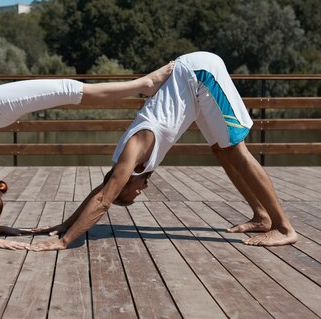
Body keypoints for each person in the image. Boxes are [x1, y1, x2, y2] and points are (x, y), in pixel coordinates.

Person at [31, 51, 298, 251]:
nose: (141, 191)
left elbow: (103, 199)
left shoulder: (132, 152)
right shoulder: (124, 164)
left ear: (125, 183)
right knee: (221, 150)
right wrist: (65, 224)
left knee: (236, 151)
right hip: (192, 88)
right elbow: (102, 190)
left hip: (201, 74)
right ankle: (262, 216)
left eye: (133, 193)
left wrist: (65, 242)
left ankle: (284, 228)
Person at [0, 64, 174, 249]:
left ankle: (146, 82)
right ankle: (143, 83)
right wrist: (10, 230)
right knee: (67, 90)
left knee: (68, 90)